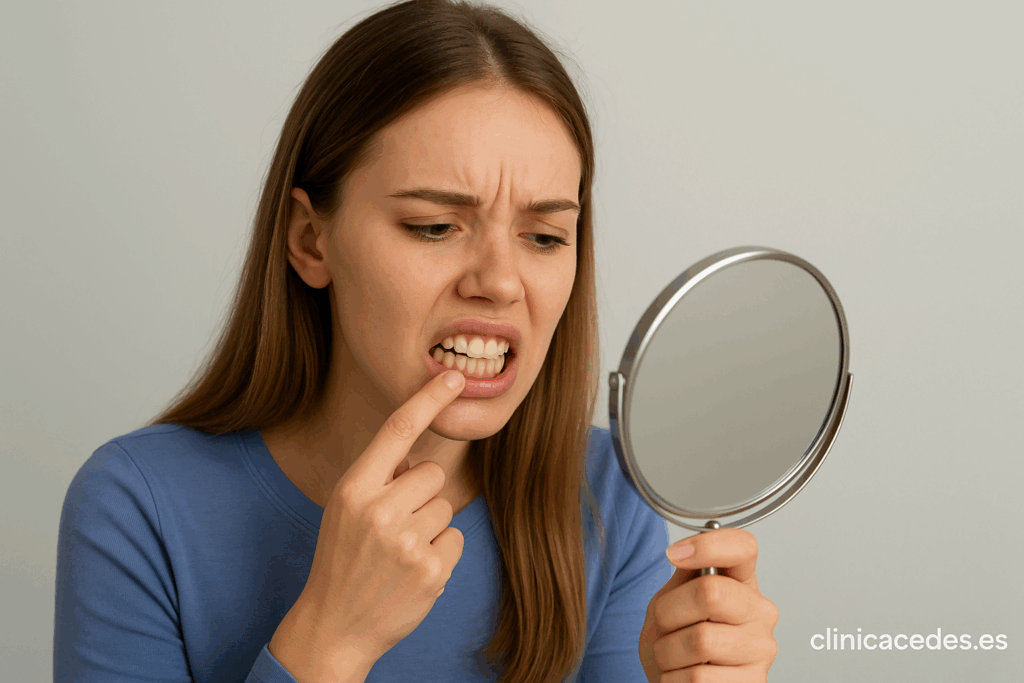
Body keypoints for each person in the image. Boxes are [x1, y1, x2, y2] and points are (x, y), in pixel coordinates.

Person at [53, 1, 778, 681]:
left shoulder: (609, 498)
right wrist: (329, 637)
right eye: (435, 226)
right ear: (311, 239)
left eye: (545, 236)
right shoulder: (136, 505)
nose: (500, 282)